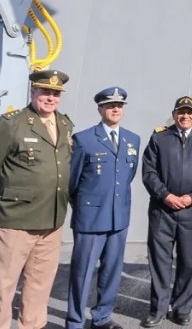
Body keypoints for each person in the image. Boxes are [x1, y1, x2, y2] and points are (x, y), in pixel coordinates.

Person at [0, 69, 74, 329]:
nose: (50, 98)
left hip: (52, 218)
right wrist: (11, 194)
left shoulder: (65, 125)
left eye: (55, 93)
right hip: (16, 219)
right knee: (4, 283)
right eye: (45, 91)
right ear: (33, 92)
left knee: (40, 282)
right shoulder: (12, 123)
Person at [66, 87, 141, 329]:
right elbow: (72, 182)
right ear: (100, 109)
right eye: (110, 106)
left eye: (119, 105)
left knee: (112, 271)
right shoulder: (83, 139)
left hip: (118, 217)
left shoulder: (132, 139)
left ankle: (102, 318)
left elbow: (127, 176)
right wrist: (87, 207)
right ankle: (75, 321)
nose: (116, 109)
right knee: (82, 273)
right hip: (90, 218)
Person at [141, 96, 192, 327]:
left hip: (191, 212)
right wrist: (166, 195)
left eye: (189, 112)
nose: (185, 116)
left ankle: (182, 308)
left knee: (189, 262)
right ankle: (158, 308)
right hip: (162, 211)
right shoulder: (159, 137)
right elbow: (148, 172)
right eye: (181, 112)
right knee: (160, 262)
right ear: (174, 114)